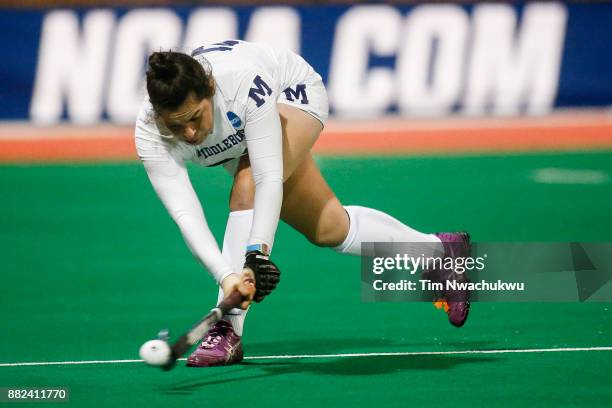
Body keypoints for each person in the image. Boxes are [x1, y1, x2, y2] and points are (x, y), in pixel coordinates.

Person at [135, 40, 470, 368]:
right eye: (176, 125)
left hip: (292, 96)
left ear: (209, 90)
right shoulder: (150, 134)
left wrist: (257, 256)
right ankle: (440, 252)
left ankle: (228, 329)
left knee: (247, 187)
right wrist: (226, 276)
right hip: (238, 140)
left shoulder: (242, 84)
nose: (191, 133)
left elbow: (268, 178)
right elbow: (185, 215)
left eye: (196, 117)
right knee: (329, 228)